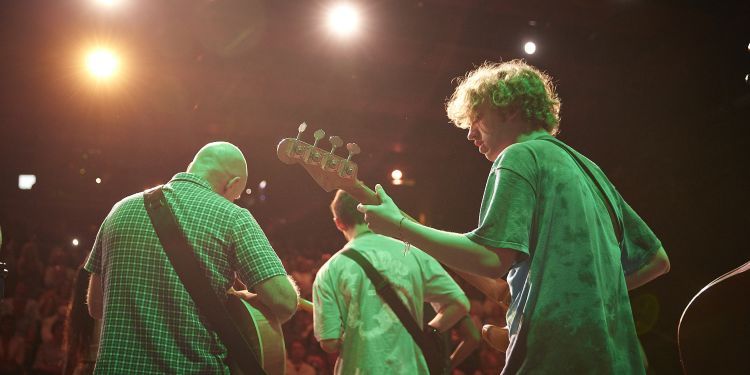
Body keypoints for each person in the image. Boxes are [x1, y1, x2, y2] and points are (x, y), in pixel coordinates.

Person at [357, 60, 670, 374]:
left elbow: (491, 259)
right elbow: (655, 260)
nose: (469, 135)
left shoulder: (519, 156)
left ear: (509, 110)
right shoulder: (588, 169)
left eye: (476, 118)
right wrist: (580, 300)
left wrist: (399, 226)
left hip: (553, 358)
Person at [85, 141, 298, 373]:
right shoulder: (234, 218)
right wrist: (246, 299)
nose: (234, 201)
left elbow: (96, 306)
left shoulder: (119, 210)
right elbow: (284, 303)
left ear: (191, 167)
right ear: (233, 184)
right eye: (236, 196)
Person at [313, 190, 473, 374]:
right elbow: (459, 303)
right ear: (371, 212)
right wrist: (428, 331)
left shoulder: (329, 271)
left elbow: (329, 343)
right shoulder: (412, 252)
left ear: (339, 223)